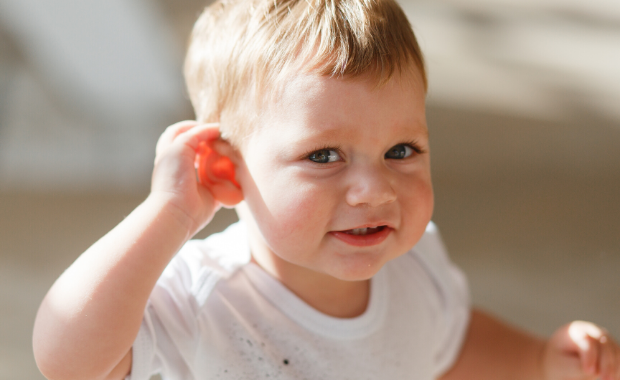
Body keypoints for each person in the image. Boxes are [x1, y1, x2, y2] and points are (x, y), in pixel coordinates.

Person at [32, 0, 620, 379]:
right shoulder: (199, 299)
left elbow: (448, 340)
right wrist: (169, 212)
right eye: (323, 156)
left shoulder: (413, 265)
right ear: (227, 172)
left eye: (401, 151)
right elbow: (67, 359)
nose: (373, 189)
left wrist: (539, 359)